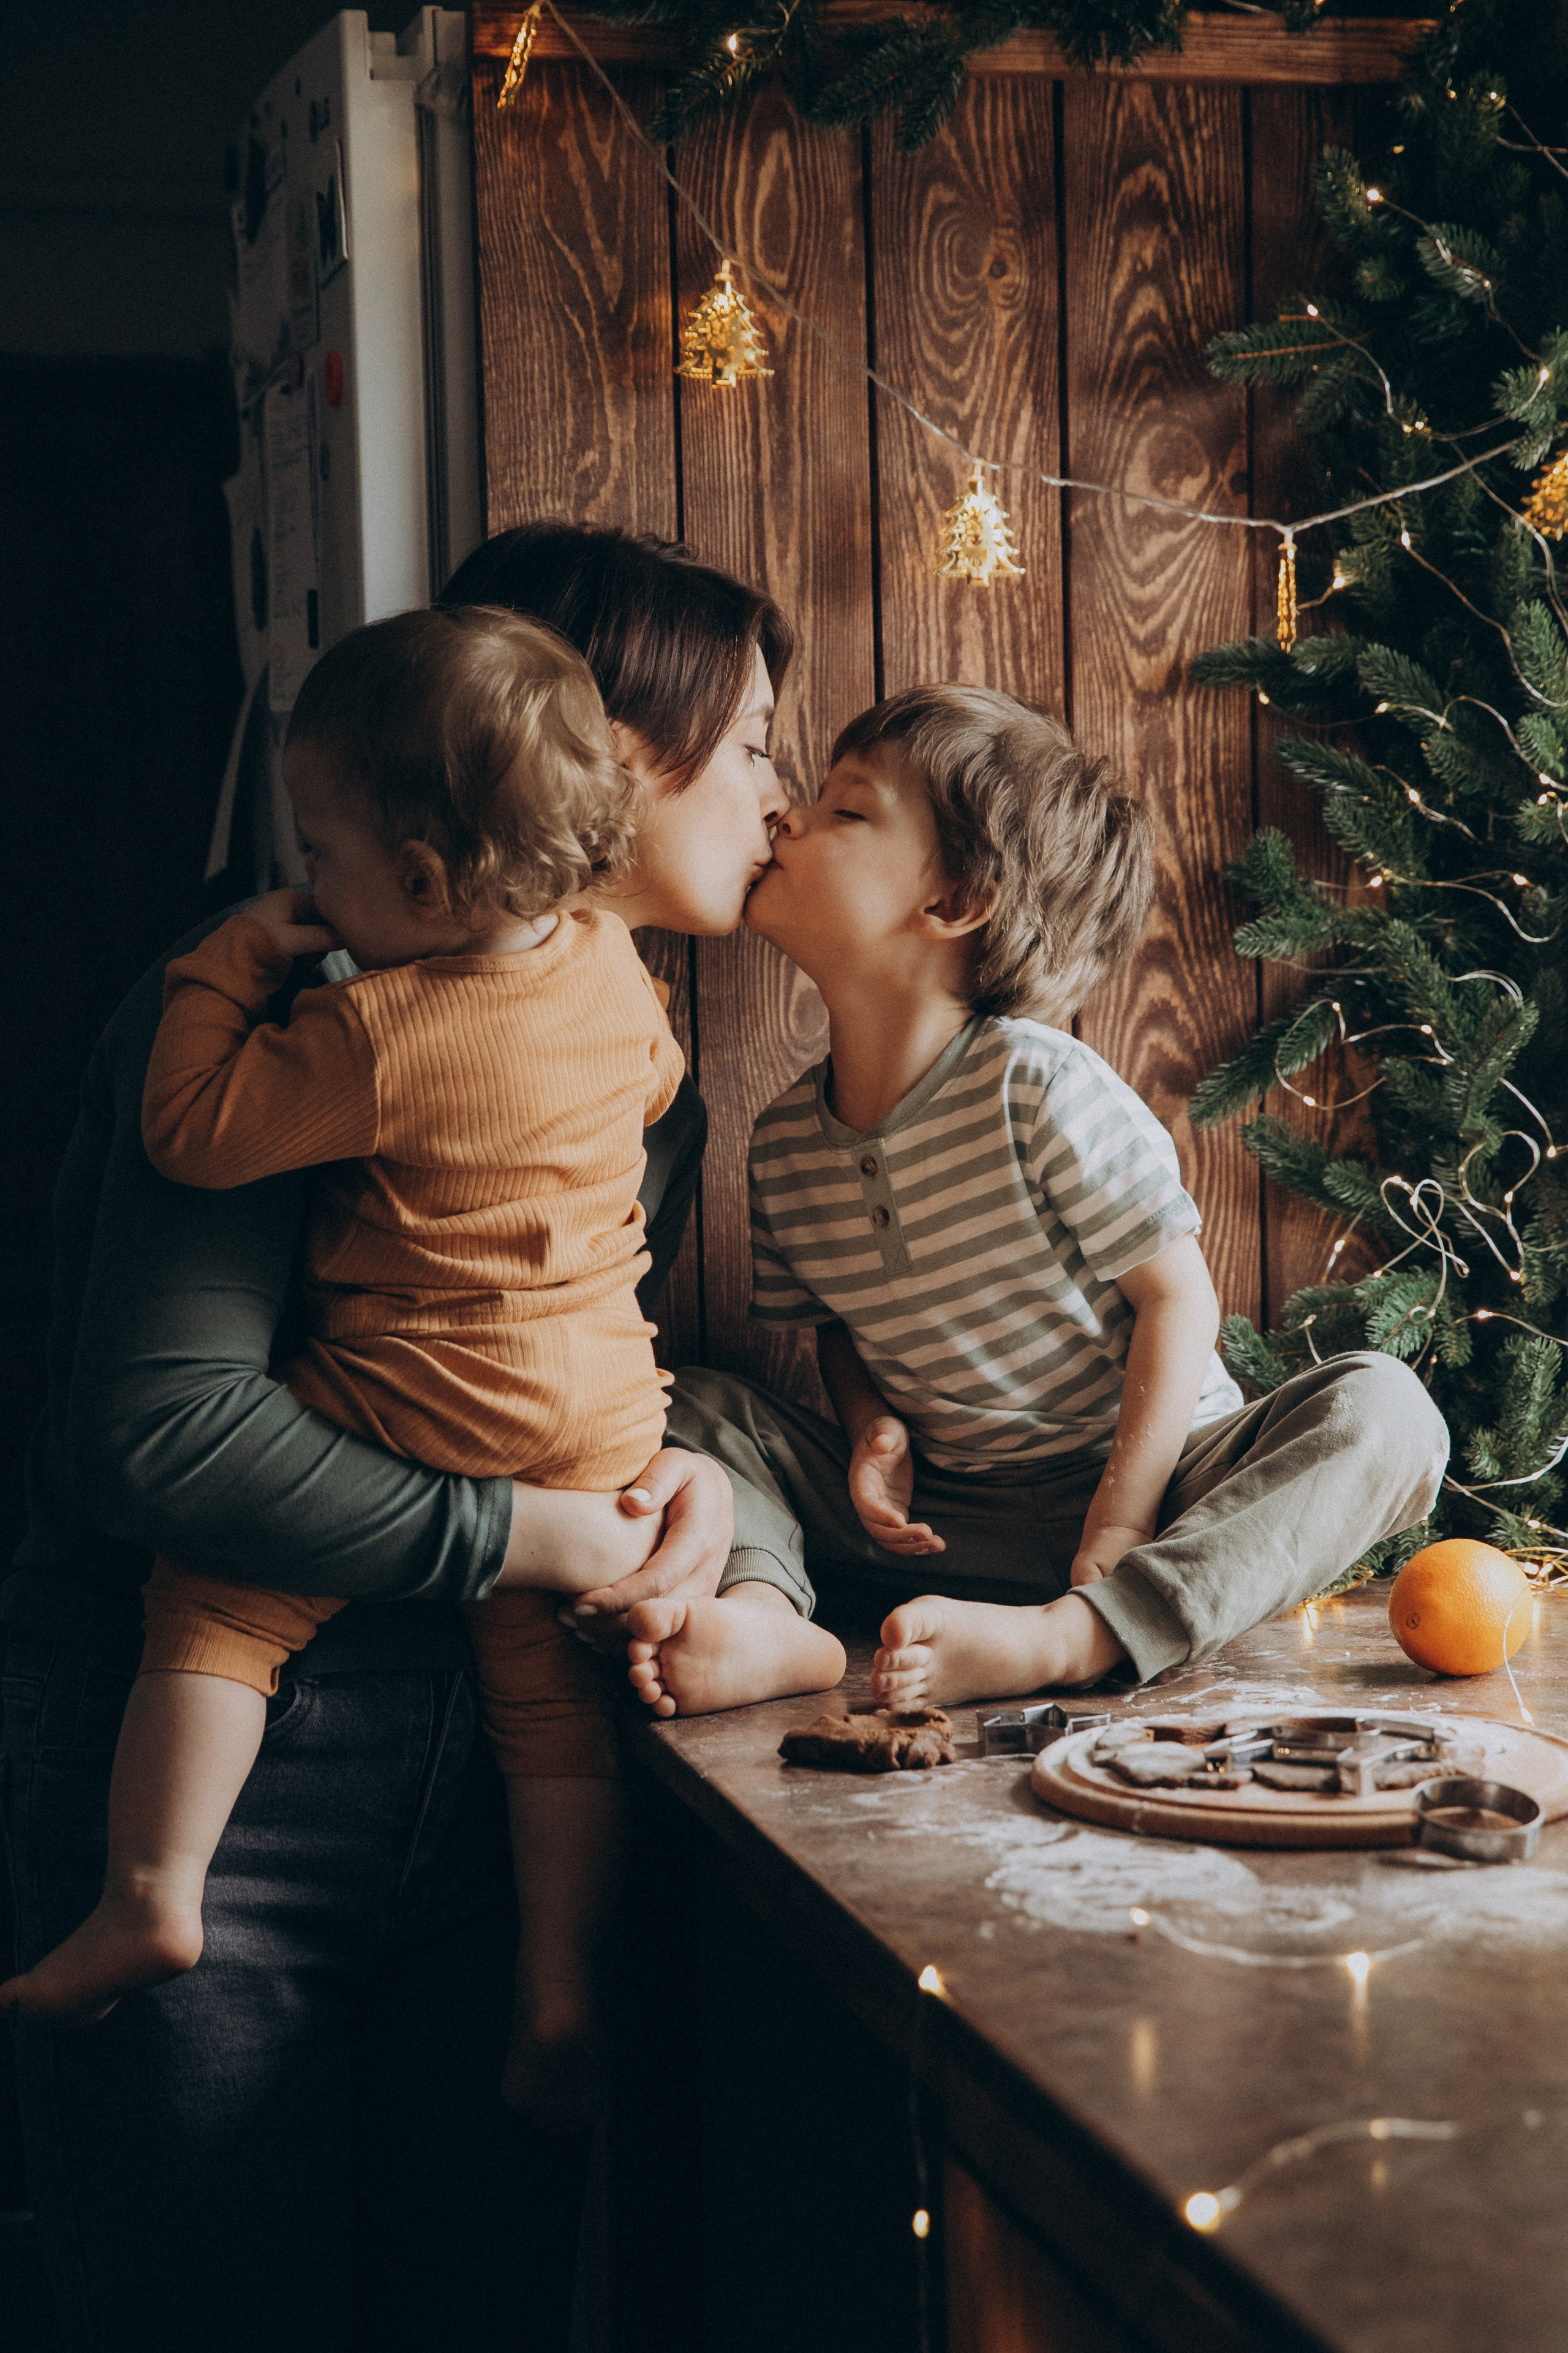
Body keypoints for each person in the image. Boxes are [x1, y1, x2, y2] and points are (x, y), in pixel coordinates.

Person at [1, 525, 784, 2353]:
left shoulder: (619, 1033)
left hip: (493, 1753)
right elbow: (157, 1438)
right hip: (225, 1763)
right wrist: (530, 1534)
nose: (777, 792)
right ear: (607, 752)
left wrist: (697, 1490)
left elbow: (545, 1349)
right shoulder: (294, 1012)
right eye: (751, 742)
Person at [626, 684, 1450, 1718]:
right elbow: (836, 1328)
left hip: (1153, 1491)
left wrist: (1122, 1520)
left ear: (953, 901)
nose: (786, 814)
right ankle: (768, 1613)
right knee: (687, 1403)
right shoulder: (784, 1141)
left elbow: (1178, 1299)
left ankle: (1083, 1634)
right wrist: (873, 1428)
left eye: (847, 808)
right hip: (952, 1516)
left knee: (1387, 1412)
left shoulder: (1041, 1085)